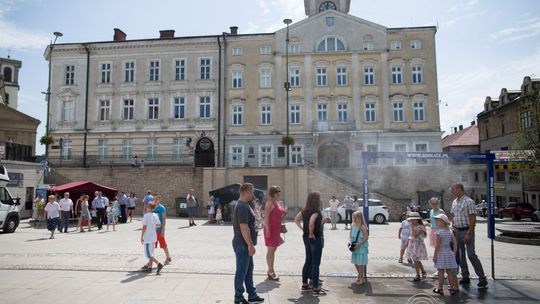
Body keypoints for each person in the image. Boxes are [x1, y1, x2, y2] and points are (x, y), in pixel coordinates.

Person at [450, 183, 488, 288]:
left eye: (453, 189)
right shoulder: (454, 202)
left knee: (471, 254)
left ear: (459, 189)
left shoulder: (469, 201)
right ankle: (465, 276)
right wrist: (453, 228)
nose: (451, 191)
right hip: (457, 231)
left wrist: (469, 233)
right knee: (461, 255)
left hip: (466, 231)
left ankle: (482, 278)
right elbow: (454, 216)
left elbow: (472, 218)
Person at [232, 183, 264, 304]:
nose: (253, 194)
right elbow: (243, 227)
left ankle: (252, 294)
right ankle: (238, 298)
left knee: (248, 270)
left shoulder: (245, 205)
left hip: (245, 244)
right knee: (241, 271)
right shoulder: (241, 207)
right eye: (252, 191)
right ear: (245, 191)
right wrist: (250, 245)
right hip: (242, 244)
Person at [294, 191, 328, 296]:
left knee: (308, 260)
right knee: (315, 263)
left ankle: (305, 284)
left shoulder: (305, 210)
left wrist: (304, 230)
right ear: (317, 200)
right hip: (315, 238)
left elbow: (296, 220)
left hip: (306, 238)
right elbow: (311, 222)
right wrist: (311, 232)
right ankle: (315, 287)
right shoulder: (316, 211)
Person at [432, 213, 459, 295]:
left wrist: (435, 255)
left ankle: (440, 288)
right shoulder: (450, 231)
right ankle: (452, 288)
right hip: (448, 252)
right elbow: (455, 243)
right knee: (449, 272)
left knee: (440, 272)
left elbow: (438, 245)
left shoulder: (439, 232)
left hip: (441, 253)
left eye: (437, 220)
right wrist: (454, 253)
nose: (436, 221)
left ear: (442, 222)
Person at [263, 186, 286, 281]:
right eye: (277, 193)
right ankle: (271, 271)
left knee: (273, 250)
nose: (279, 194)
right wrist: (268, 230)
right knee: (271, 250)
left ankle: (270, 270)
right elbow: (266, 218)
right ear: (272, 193)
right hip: (270, 229)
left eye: (279, 192)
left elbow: (280, 213)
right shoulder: (269, 203)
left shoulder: (276, 202)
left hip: (276, 229)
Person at [140, 201, 164, 274]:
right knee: (151, 252)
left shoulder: (146, 216)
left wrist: (141, 236)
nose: (146, 208)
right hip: (153, 236)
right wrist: (153, 227)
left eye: (147, 206)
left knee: (148, 254)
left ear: (149, 207)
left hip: (148, 237)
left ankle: (158, 264)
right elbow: (159, 225)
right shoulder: (155, 215)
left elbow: (144, 226)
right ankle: (150, 267)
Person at [408, 212, 428, 281]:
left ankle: (418, 275)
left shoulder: (421, 227)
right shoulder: (412, 226)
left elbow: (415, 235)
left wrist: (412, 227)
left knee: (416, 260)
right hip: (413, 245)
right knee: (416, 260)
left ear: (417, 219)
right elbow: (411, 235)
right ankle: (423, 271)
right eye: (411, 220)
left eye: (413, 219)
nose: (411, 221)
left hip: (418, 245)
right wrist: (407, 242)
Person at [350, 211, 369, 285]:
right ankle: (360, 276)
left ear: (360, 218)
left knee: (361, 263)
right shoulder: (353, 225)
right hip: (354, 246)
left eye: (356, 217)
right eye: (354, 217)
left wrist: (359, 244)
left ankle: (361, 278)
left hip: (361, 247)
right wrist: (351, 243)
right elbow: (350, 235)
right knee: (356, 262)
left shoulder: (362, 227)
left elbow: (366, 237)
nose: (354, 219)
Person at [154, 194, 172, 265]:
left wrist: (163, 229)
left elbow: (164, 219)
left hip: (159, 230)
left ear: (159, 199)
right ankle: (150, 261)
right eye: (154, 199)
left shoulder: (162, 208)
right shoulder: (152, 207)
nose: (155, 200)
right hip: (153, 230)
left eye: (156, 199)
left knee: (163, 244)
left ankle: (168, 257)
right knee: (152, 246)